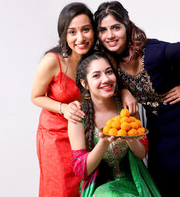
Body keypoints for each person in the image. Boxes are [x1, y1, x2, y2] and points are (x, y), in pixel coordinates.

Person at [93, 1, 180, 197]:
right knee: (160, 180)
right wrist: (123, 90)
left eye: (116, 27)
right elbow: (98, 81)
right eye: (103, 30)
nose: (110, 35)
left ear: (127, 25)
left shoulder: (154, 52)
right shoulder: (110, 61)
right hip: (159, 126)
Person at [68, 52, 161, 197]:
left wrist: (131, 140)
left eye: (109, 72)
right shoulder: (77, 115)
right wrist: (104, 141)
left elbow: (142, 153)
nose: (105, 79)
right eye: (96, 75)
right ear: (84, 83)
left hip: (134, 182)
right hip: (100, 186)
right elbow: (82, 170)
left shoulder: (127, 105)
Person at [30, 2, 97, 197]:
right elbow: (35, 96)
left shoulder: (94, 60)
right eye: (72, 32)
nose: (80, 38)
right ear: (64, 35)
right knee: (60, 189)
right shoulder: (52, 60)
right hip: (54, 136)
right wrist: (63, 108)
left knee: (83, 188)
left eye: (86, 30)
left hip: (84, 134)